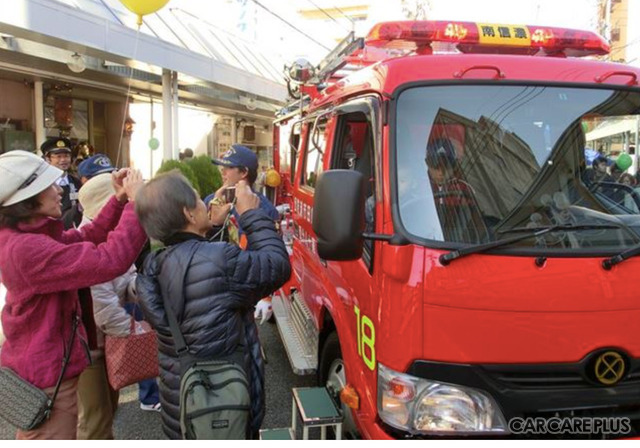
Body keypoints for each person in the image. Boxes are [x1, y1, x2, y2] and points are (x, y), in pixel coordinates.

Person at [0, 150, 147, 439]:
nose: (60, 191)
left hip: (41, 367)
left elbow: (83, 237)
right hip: (48, 374)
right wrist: (136, 204)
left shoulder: (23, 237)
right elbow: (108, 260)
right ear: (26, 201)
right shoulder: (26, 249)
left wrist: (118, 201)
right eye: (49, 186)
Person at [134, 172, 291, 439]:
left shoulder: (152, 266)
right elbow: (276, 266)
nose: (206, 204)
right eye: (198, 200)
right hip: (227, 406)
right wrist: (251, 214)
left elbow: (197, 266)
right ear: (189, 214)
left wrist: (211, 228)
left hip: (184, 405)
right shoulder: (219, 260)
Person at [209, 145, 280, 324]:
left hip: (244, 290)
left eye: (228, 167)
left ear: (244, 173)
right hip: (211, 287)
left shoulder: (264, 209)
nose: (222, 171)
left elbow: (269, 254)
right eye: (221, 166)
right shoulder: (211, 201)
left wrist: (266, 295)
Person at [41, 138, 83, 229]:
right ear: (48, 159)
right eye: (58, 156)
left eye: (66, 156)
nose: (63, 160)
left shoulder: (76, 182)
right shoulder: (43, 183)